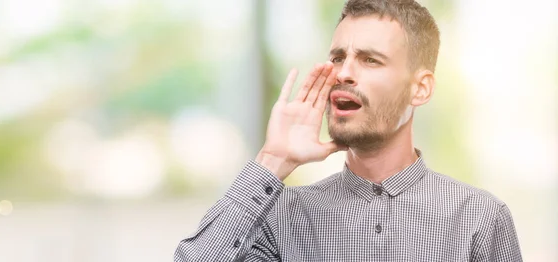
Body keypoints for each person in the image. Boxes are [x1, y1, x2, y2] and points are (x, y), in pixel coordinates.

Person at [174, 0, 522, 261]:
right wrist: (273, 159)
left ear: (421, 88)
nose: (343, 73)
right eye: (338, 57)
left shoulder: (479, 219)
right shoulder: (282, 218)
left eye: (370, 60)